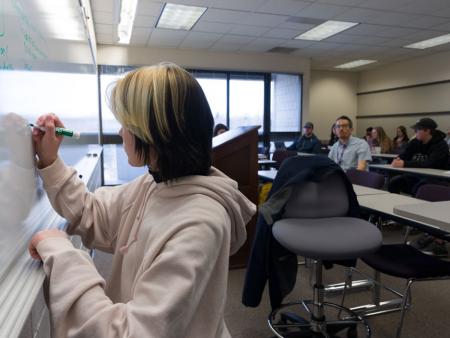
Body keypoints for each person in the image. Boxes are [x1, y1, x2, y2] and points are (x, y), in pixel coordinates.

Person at [28, 63, 256, 338]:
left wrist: (63, 256)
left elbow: (131, 333)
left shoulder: (199, 223)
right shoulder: (157, 182)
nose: (121, 132)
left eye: (126, 124)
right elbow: (93, 213)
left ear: (153, 133)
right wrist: (51, 160)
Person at [388, 117, 449, 195]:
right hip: (417, 175)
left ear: (427, 131)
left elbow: (430, 163)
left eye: (418, 130)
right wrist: (397, 160)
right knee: (394, 182)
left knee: (419, 187)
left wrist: (405, 164)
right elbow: (404, 155)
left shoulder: (441, 145)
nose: (415, 132)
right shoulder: (415, 142)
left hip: (435, 178)